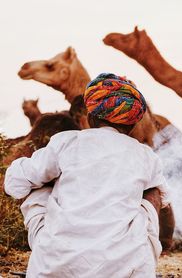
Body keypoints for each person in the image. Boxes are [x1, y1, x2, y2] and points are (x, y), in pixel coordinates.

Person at [4, 73, 169, 277]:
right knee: (154, 191)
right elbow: (166, 200)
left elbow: (14, 185)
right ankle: (139, 262)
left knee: (40, 179)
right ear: (132, 124)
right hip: (126, 268)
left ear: (90, 117)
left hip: (54, 267)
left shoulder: (66, 143)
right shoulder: (146, 156)